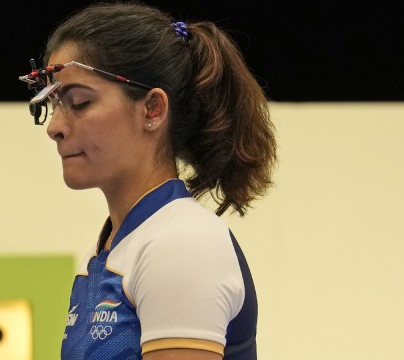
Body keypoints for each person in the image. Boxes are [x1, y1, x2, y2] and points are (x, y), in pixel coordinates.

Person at [18, 2, 276, 359]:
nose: (55, 127)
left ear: (152, 109)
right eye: (52, 104)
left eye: (78, 102)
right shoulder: (110, 253)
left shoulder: (181, 242)